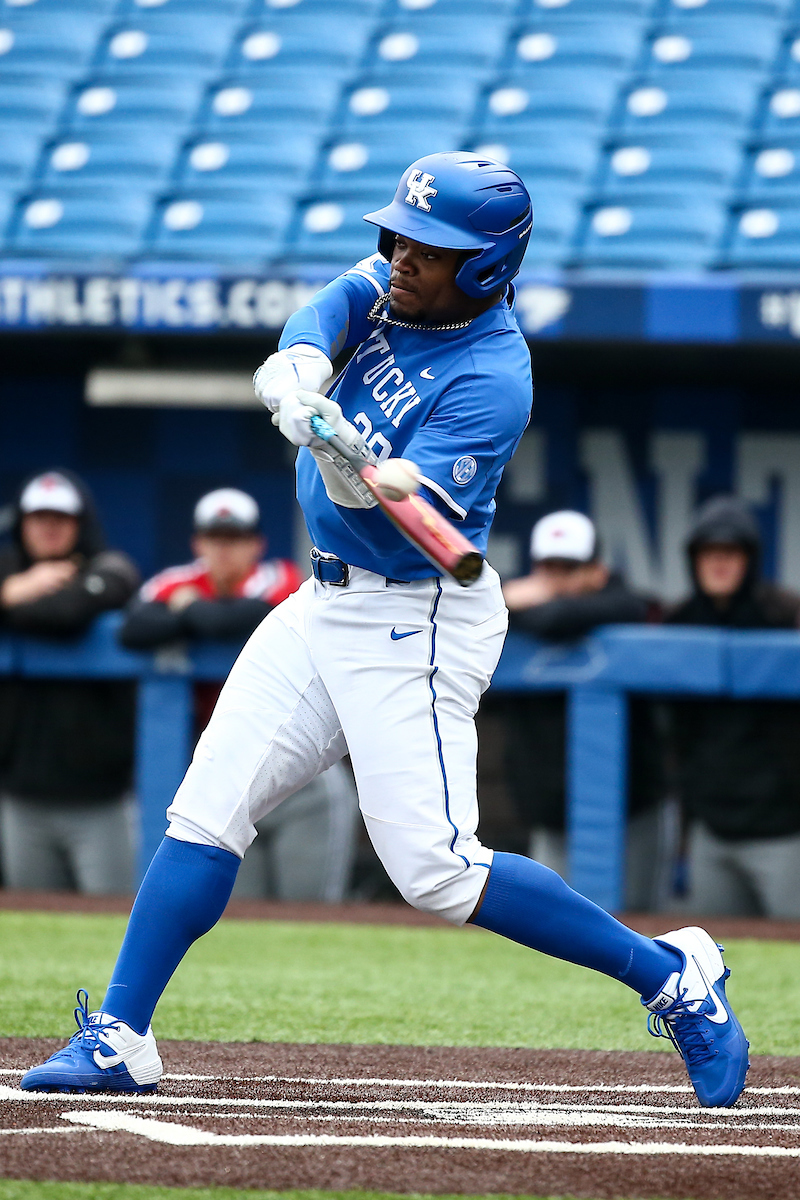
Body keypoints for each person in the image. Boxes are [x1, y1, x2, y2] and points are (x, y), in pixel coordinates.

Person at [22, 152, 748, 1110]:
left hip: (417, 611)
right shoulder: (392, 282)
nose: (403, 256)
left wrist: (343, 462)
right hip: (323, 604)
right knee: (206, 809)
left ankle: (672, 977)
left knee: (439, 870)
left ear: (486, 267)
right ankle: (121, 1035)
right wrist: (301, 367)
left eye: (431, 248)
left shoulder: (495, 378)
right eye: (400, 235)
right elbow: (326, 308)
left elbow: (403, 520)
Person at [119, 487, 358, 902]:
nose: (225, 549)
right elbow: (133, 628)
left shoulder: (279, 576)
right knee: (235, 914)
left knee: (310, 915)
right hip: (227, 773)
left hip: (303, 767)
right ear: (198, 543)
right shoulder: (177, 580)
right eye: (215, 538)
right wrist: (199, 612)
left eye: (236, 539)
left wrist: (188, 611)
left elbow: (248, 615)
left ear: (256, 544)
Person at [501, 510, 671, 910]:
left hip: (630, 811)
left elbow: (563, 616)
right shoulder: (509, 608)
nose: (558, 578)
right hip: (551, 812)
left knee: (635, 926)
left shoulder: (622, 603)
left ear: (597, 570)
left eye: (570, 567)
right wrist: (504, 599)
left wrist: (508, 598)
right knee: (548, 931)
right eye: (549, 567)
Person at [0, 470, 140, 894]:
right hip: (20, 795)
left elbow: (67, 616)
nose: (49, 527)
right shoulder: (8, 570)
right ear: (21, 524)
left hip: (99, 799)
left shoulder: (110, 567)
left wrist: (14, 600)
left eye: (61, 518)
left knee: (109, 924)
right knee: (30, 926)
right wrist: (10, 591)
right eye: (38, 517)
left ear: (80, 524)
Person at [666, 495, 800, 919]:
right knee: (714, 951)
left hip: (784, 832)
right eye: (709, 552)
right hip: (712, 832)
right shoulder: (679, 622)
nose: (719, 563)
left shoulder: (785, 614)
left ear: (750, 559)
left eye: (731, 552)